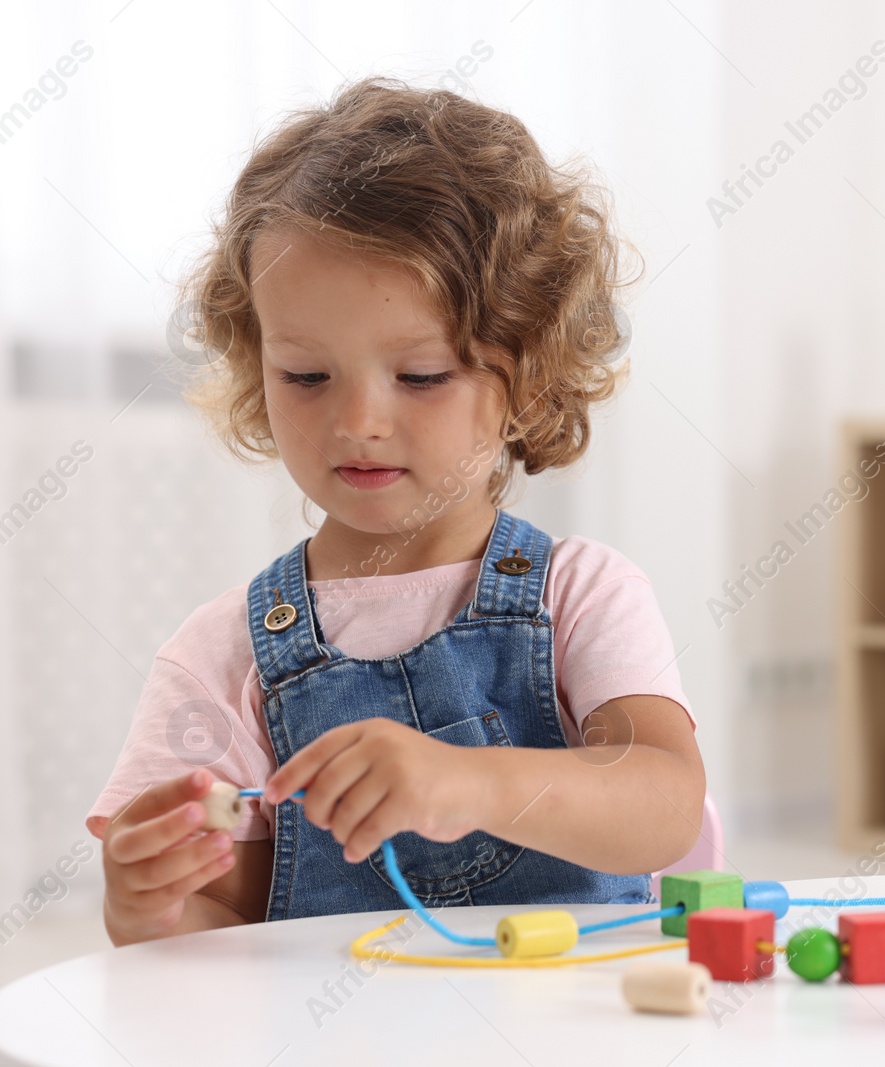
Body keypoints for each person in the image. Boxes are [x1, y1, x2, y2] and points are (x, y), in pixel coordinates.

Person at [85, 76, 704, 946]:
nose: (358, 422)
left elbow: (665, 805)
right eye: (306, 375)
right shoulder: (222, 657)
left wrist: (474, 783)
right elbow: (214, 936)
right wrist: (144, 905)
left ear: (527, 373)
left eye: (420, 376)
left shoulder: (583, 594)